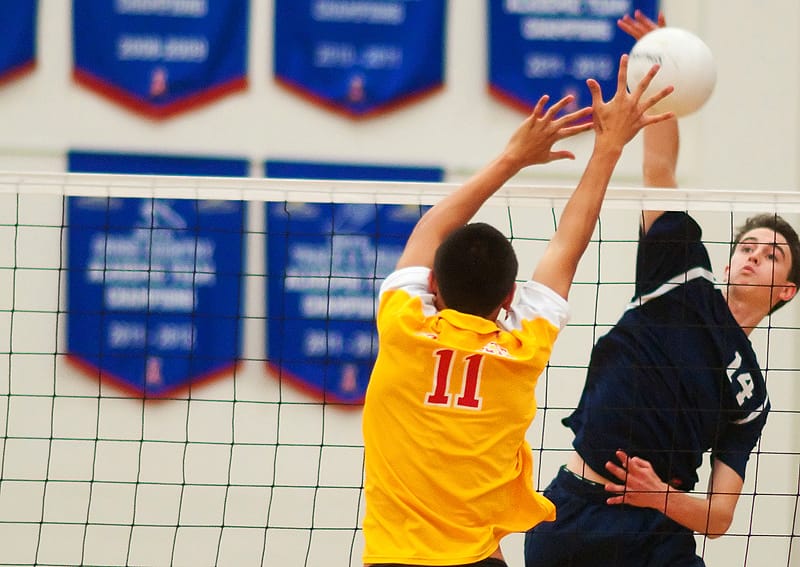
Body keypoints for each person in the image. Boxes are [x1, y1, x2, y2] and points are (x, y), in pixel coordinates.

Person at [360, 54, 675, 567]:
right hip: (481, 559)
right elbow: (565, 248)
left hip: (394, 558)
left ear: (432, 285)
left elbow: (428, 231)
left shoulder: (404, 325)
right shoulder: (519, 349)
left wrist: (512, 158)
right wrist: (609, 146)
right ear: (509, 299)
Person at [523, 11, 800, 567]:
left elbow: (720, 519)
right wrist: (661, 65)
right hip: (574, 514)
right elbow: (660, 169)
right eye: (747, 247)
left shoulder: (752, 394)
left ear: (788, 290)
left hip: (655, 533)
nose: (753, 257)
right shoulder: (681, 277)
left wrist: (660, 496)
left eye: (771, 255)